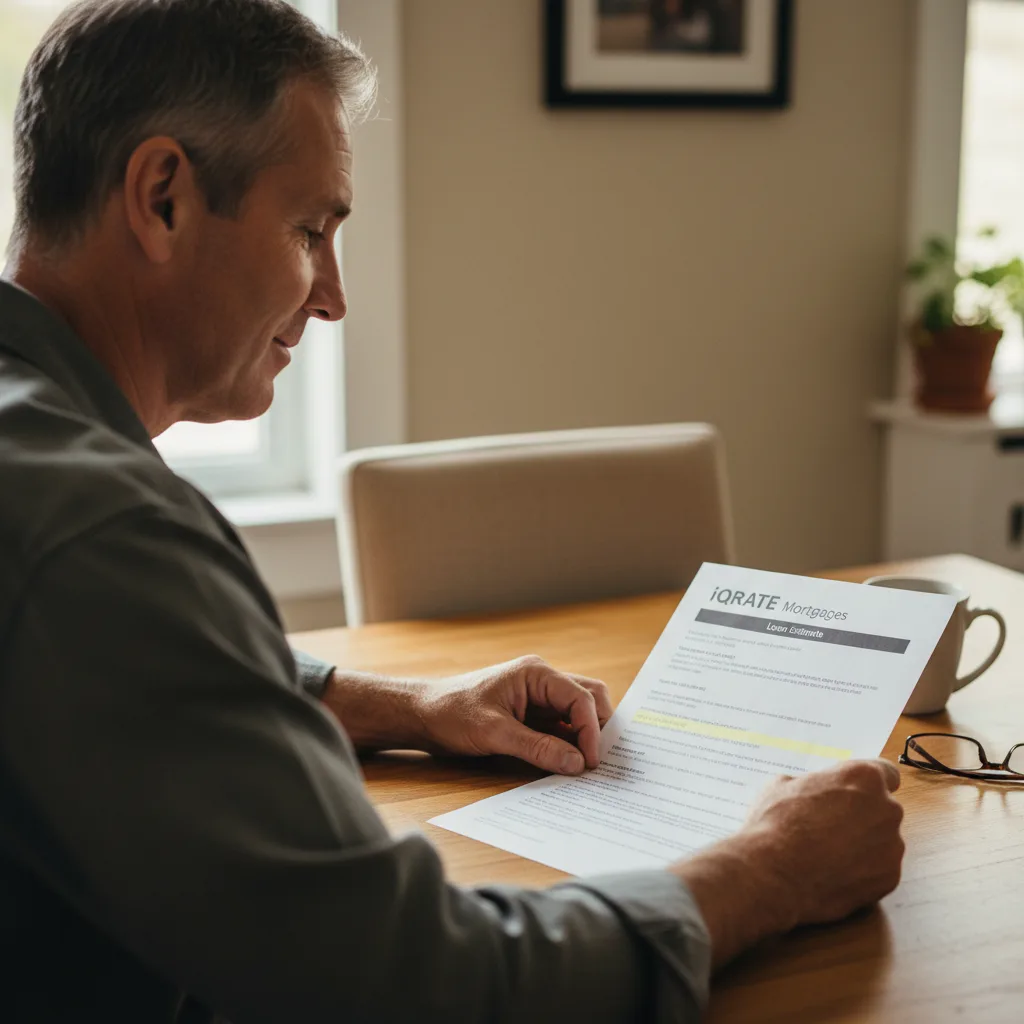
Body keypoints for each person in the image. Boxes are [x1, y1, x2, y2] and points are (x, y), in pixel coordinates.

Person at [0, 1, 905, 1021]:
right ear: (162, 197)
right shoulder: (102, 528)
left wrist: (408, 707)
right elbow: (419, 984)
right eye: (310, 229)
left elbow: (120, 670)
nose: (333, 296)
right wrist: (772, 867)